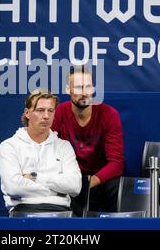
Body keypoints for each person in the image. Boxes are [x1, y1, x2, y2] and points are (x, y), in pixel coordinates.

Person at [51, 66, 124, 216]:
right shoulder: (58, 113)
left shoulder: (109, 114)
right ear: (67, 89)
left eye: (88, 86)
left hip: (101, 177)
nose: (84, 92)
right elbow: (50, 154)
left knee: (116, 186)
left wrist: (88, 183)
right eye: (78, 87)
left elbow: (116, 163)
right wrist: (75, 182)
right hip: (72, 175)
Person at [0, 88, 82, 215]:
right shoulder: (9, 146)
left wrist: (35, 177)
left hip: (61, 212)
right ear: (27, 113)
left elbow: (75, 187)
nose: (46, 116)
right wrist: (57, 192)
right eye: (40, 110)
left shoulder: (64, 146)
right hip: (23, 210)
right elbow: (13, 187)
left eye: (50, 111)